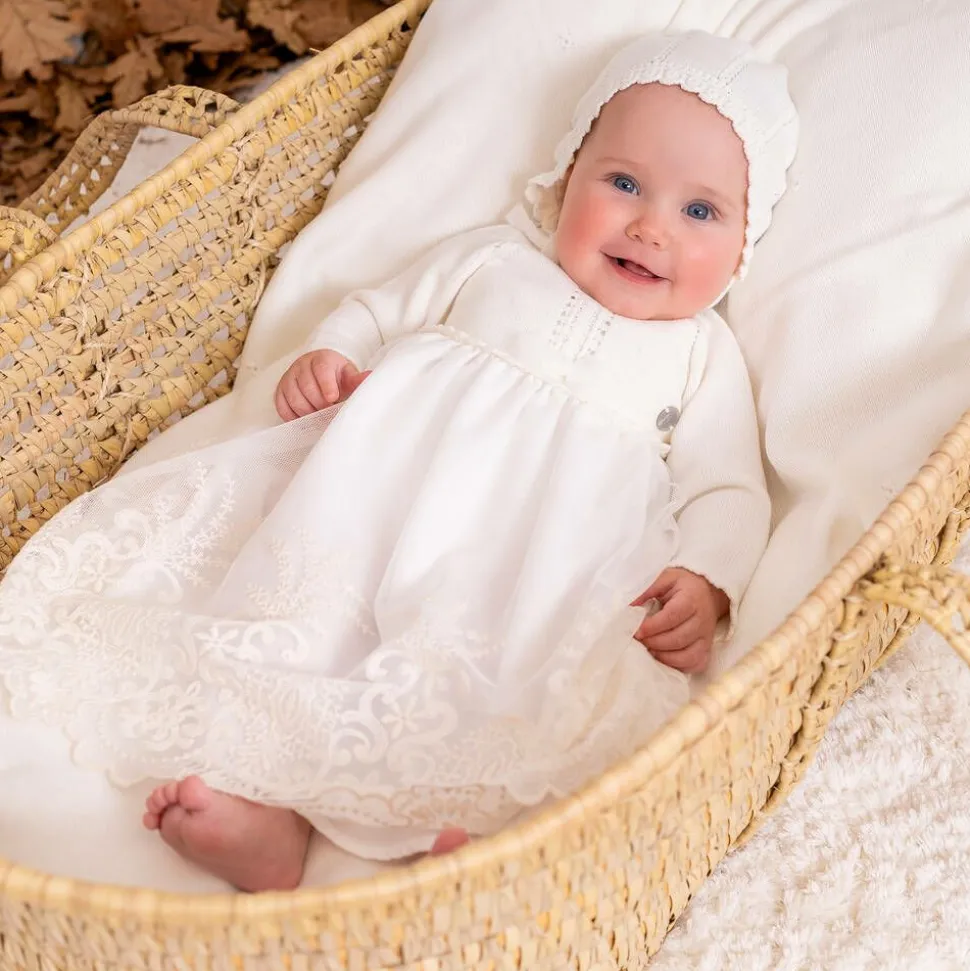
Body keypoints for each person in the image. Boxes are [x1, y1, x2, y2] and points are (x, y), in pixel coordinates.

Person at [0, 31, 798, 892]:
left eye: (701, 211)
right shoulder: (494, 259)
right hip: (375, 511)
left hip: (528, 568)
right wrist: (332, 353)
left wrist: (708, 575)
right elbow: (377, 310)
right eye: (625, 183)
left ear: (743, 248)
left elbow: (728, 485)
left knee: (500, 692)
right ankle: (271, 816)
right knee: (306, 634)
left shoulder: (701, 356)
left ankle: (444, 843)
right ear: (567, 176)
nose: (651, 226)